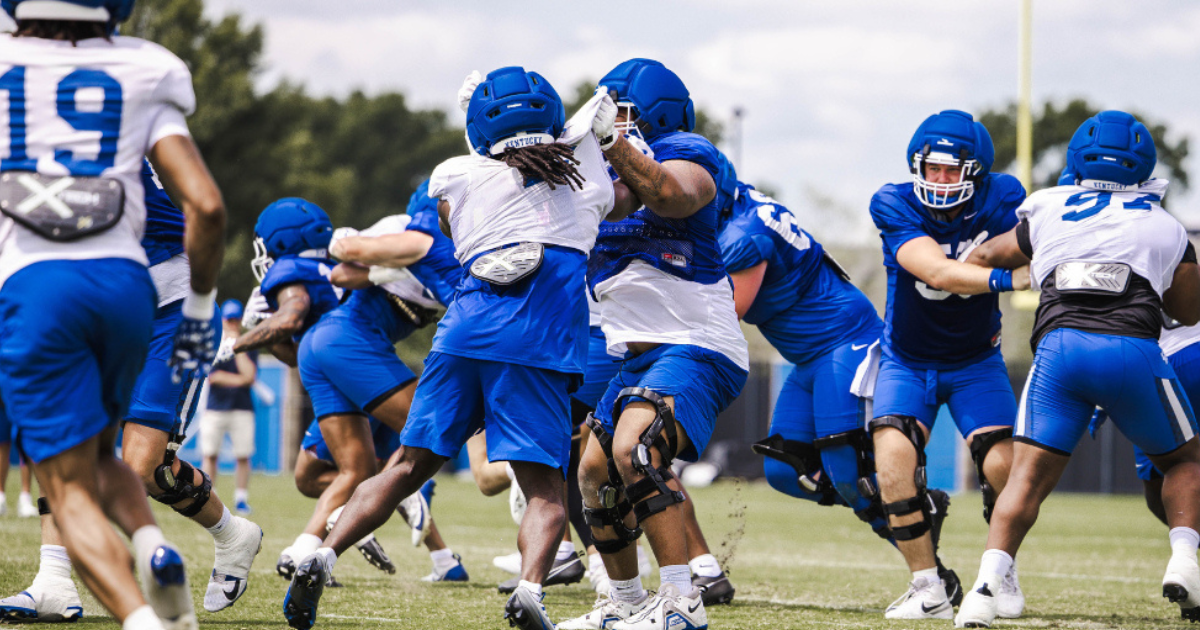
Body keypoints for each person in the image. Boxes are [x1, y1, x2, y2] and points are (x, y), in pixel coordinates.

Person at [283, 66, 616, 630]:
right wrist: (593, 134)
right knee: (544, 488)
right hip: (536, 338)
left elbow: (464, 202)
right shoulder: (592, 181)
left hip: (464, 330)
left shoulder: (454, 176)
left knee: (406, 466)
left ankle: (321, 551)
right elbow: (610, 182)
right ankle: (532, 587)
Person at [0, 1, 229, 627]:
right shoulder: (144, 66)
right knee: (100, 454)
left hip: (37, 284)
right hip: (129, 286)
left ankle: (139, 615)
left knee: (65, 480)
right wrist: (205, 307)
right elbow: (206, 206)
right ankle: (153, 546)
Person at [955, 111, 1200, 627]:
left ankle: (982, 591)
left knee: (1024, 478)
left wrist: (1037, 272)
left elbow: (982, 257)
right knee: (1185, 461)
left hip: (1059, 352)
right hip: (1132, 351)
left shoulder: (1048, 206)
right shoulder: (1165, 226)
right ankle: (1184, 560)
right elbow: (1189, 310)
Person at [1, 162, 264, 622]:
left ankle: (229, 533)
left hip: (167, 305)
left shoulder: (88, 140)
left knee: (142, 468)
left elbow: (205, 207)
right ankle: (55, 579)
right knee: (62, 438)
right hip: (94, 302)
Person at [563, 58, 748, 630]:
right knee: (593, 471)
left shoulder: (690, 151)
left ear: (647, 117)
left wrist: (611, 141)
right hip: (637, 355)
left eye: (616, 115)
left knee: (635, 448)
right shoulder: (606, 177)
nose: (607, 128)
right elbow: (604, 202)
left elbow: (668, 193)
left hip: (698, 344)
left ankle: (681, 601)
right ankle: (622, 602)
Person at [716, 164, 947, 569]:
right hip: (809, 357)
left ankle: (931, 575)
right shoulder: (740, 206)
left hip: (844, 342)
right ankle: (912, 507)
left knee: (847, 473)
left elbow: (725, 313)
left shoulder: (742, 234)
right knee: (786, 472)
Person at [867, 110, 1028, 620]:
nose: (937, 180)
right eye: (930, 169)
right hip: (907, 360)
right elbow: (933, 270)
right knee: (891, 462)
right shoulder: (892, 201)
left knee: (1004, 466)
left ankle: (999, 570)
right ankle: (927, 586)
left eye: (949, 171)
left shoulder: (1004, 197)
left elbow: (1034, 247)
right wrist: (1006, 280)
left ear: (976, 172)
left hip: (975, 361)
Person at [201, 299, 258, 514]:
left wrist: (237, 347)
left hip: (242, 408)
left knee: (242, 455)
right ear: (222, 320)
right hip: (215, 408)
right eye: (229, 319)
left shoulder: (248, 343)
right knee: (210, 454)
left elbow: (250, 376)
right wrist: (239, 378)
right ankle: (208, 496)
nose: (232, 323)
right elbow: (212, 377)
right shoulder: (213, 342)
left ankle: (241, 499)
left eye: (235, 319)